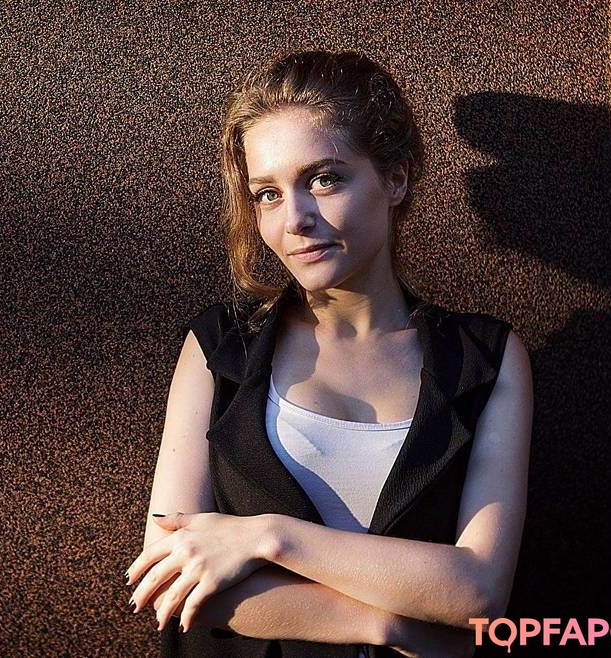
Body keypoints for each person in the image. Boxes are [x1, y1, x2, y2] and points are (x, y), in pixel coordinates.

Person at [123, 50, 533, 658]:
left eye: (324, 179)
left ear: (395, 179)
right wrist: (388, 626)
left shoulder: (484, 359)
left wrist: (269, 537)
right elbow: (170, 576)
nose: (295, 219)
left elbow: (477, 591)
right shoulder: (220, 347)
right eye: (267, 194)